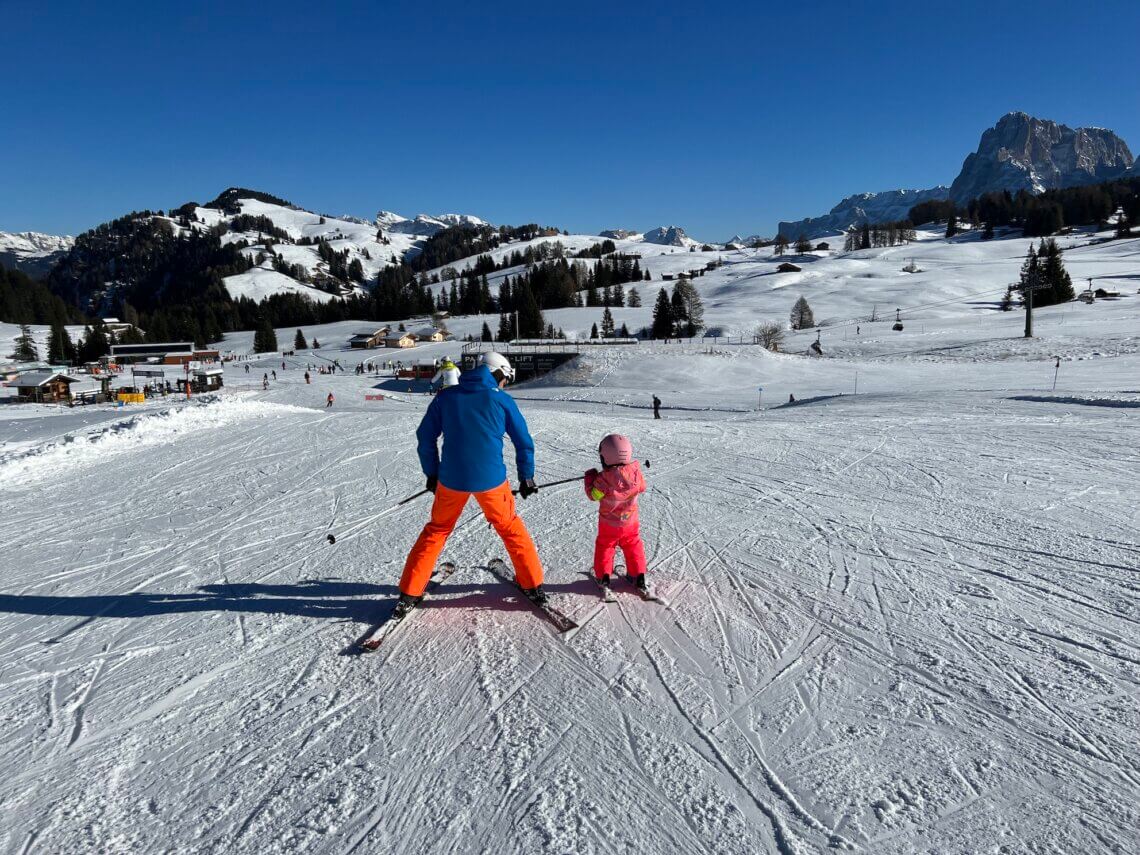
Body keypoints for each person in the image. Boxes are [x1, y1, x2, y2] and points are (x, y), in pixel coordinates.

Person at [398, 352, 544, 615]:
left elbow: (425, 437)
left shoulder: (446, 397)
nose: (503, 385)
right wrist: (527, 476)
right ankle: (532, 584)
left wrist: (432, 473)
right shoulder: (501, 400)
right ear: (497, 373)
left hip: (451, 480)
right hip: (491, 481)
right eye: (504, 379)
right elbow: (523, 441)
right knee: (510, 528)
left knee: (437, 530)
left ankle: (410, 591)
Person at [585, 434, 648, 592]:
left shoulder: (603, 480)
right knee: (633, 545)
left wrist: (590, 478)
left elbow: (593, 495)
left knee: (605, 546)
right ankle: (638, 576)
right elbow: (642, 486)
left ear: (605, 457)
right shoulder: (636, 473)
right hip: (630, 522)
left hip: (609, 524)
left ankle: (603, 577)